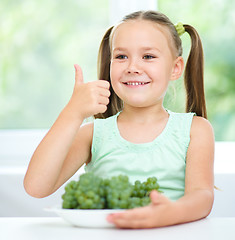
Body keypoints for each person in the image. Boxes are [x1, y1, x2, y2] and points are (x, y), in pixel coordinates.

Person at [24, 10, 214, 229]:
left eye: (148, 56)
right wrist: (72, 113)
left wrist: (169, 214)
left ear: (175, 68)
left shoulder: (195, 130)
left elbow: (202, 198)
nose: (132, 67)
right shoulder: (93, 133)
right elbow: (36, 187)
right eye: (121, 56)